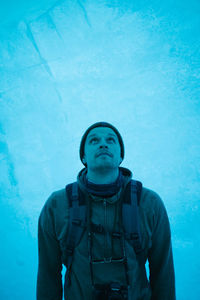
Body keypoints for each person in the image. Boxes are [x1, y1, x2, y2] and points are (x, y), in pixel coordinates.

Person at [36, 121, 176, 300]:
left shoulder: (149, 203)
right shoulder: (57, 205)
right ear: (84, 157)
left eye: (111, 140)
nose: (103, 143)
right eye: (94, 140)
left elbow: (163, 273)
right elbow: (48, 275)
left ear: (120, 157)